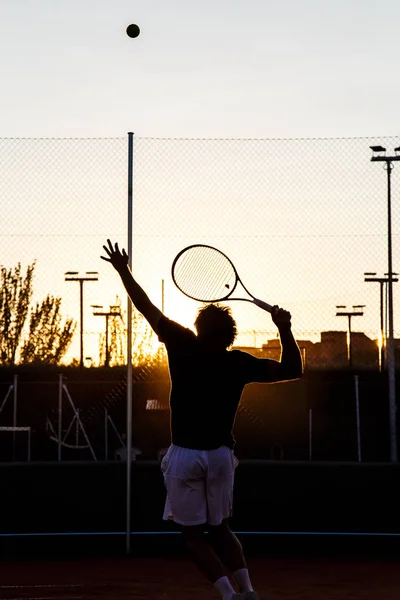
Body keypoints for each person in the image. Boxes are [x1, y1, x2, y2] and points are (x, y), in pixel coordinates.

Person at [101, 239, 303, 600]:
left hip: (185, 455)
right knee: (221, 529)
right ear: (230, 336)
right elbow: (293, 369)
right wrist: (284, 328)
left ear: (198, 328)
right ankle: (249, 593)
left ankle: (229, 597)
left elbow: (145, 306)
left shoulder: (182, 344)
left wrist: (122, 270)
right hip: (221, 457)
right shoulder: (238, 362)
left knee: (193, 537)